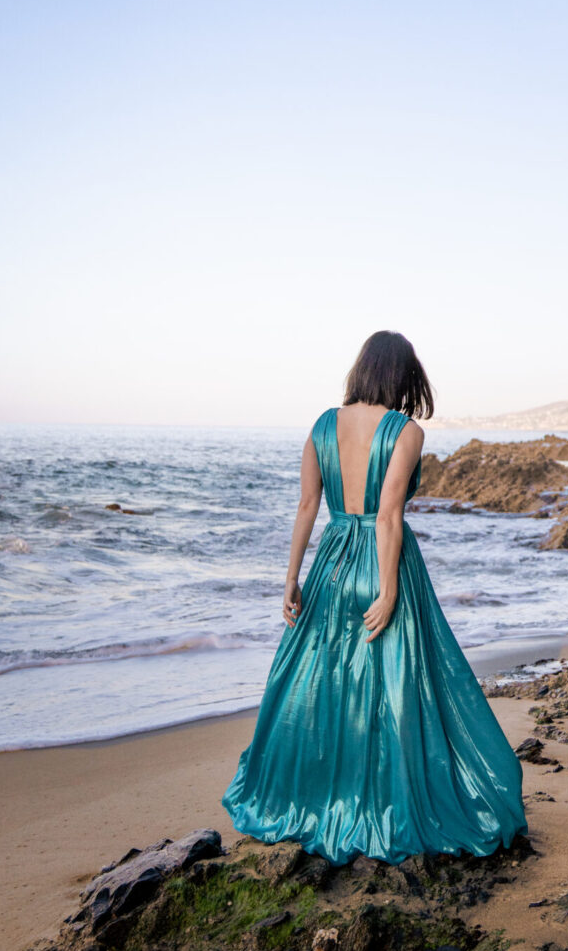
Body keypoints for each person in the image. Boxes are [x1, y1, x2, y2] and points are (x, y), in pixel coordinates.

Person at [221, 330, 527, 864]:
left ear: (361, 369)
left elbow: (306, 506)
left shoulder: (322, 425)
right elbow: (389, 516)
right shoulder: (405, 431)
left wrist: (291, 579)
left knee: (319, 680)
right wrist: (388, 590)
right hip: (383, 562)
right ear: (402, 376)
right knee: (395, 686)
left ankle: (314, 796)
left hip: (333, 562)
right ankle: (382, 800)